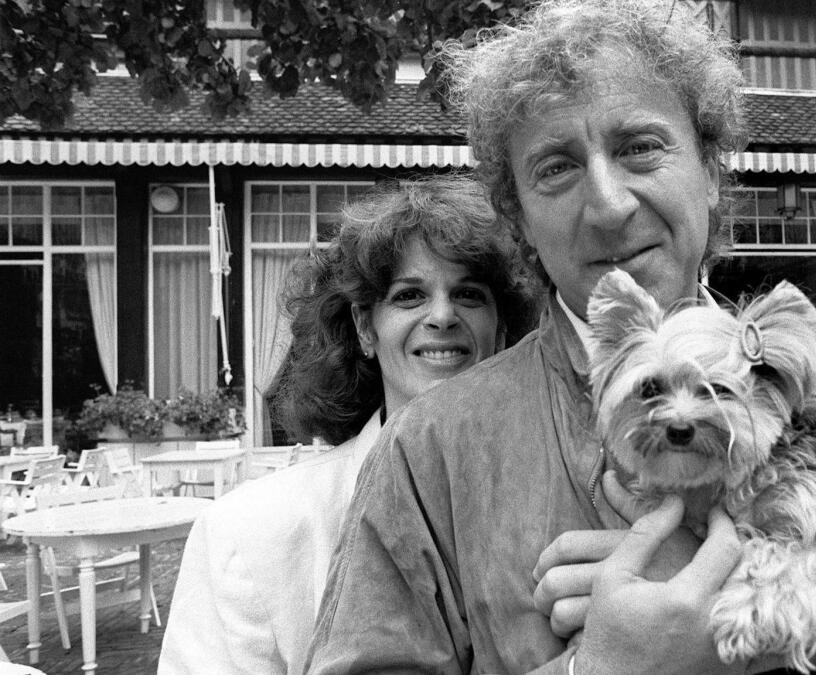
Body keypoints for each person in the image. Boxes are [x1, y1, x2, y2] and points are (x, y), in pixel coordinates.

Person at [305, 1, 816, 672]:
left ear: (713, 171)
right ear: (517, 218)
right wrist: (599, 667)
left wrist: (795, 627)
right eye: (555, 167)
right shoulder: (432, 450)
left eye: (639, 146)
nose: (610, 202)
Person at [158, 175, 537, 675]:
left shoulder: (553, 500)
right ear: (364, 327)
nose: (442, 316)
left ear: (503, 329)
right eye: (409, 296)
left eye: (468, 294)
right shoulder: (249, 534)